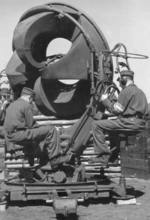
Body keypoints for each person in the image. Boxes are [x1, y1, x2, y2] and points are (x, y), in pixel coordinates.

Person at [92, 70, 148, 164]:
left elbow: (117, 110)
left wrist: (105, 100)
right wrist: (112, 103)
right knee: (112, 128)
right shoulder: (140, 92)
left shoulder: (126, 91)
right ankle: (113, 157)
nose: (119, 84)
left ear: (124, 80)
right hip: (140, 124)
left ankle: (103, 156)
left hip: (129, 123)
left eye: (119, 81)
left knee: (96, 125)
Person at [4, 87, 63, 167]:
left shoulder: (12, 105)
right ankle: (55, 158)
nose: (32, 102)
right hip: (20, 134)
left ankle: (33, 156)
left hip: (10, 136)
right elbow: (31, 125)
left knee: (39, 132)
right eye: (32, 100)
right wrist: (45, 127)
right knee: (51, 129)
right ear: (29, 97)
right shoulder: (26, 105)